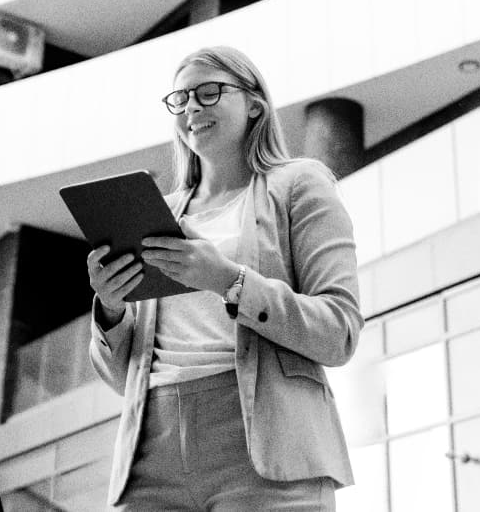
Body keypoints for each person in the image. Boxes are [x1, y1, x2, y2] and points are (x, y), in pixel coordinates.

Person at [87, 45, 363, 511]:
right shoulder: (161, 212)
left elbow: (339, 331)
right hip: (151, 448)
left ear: (255, 103)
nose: (192, 107)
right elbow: (122, 378)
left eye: (209, 92)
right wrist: (111, 310)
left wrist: (228, 281)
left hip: (269, 449)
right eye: (180, 99)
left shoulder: (300, 183)